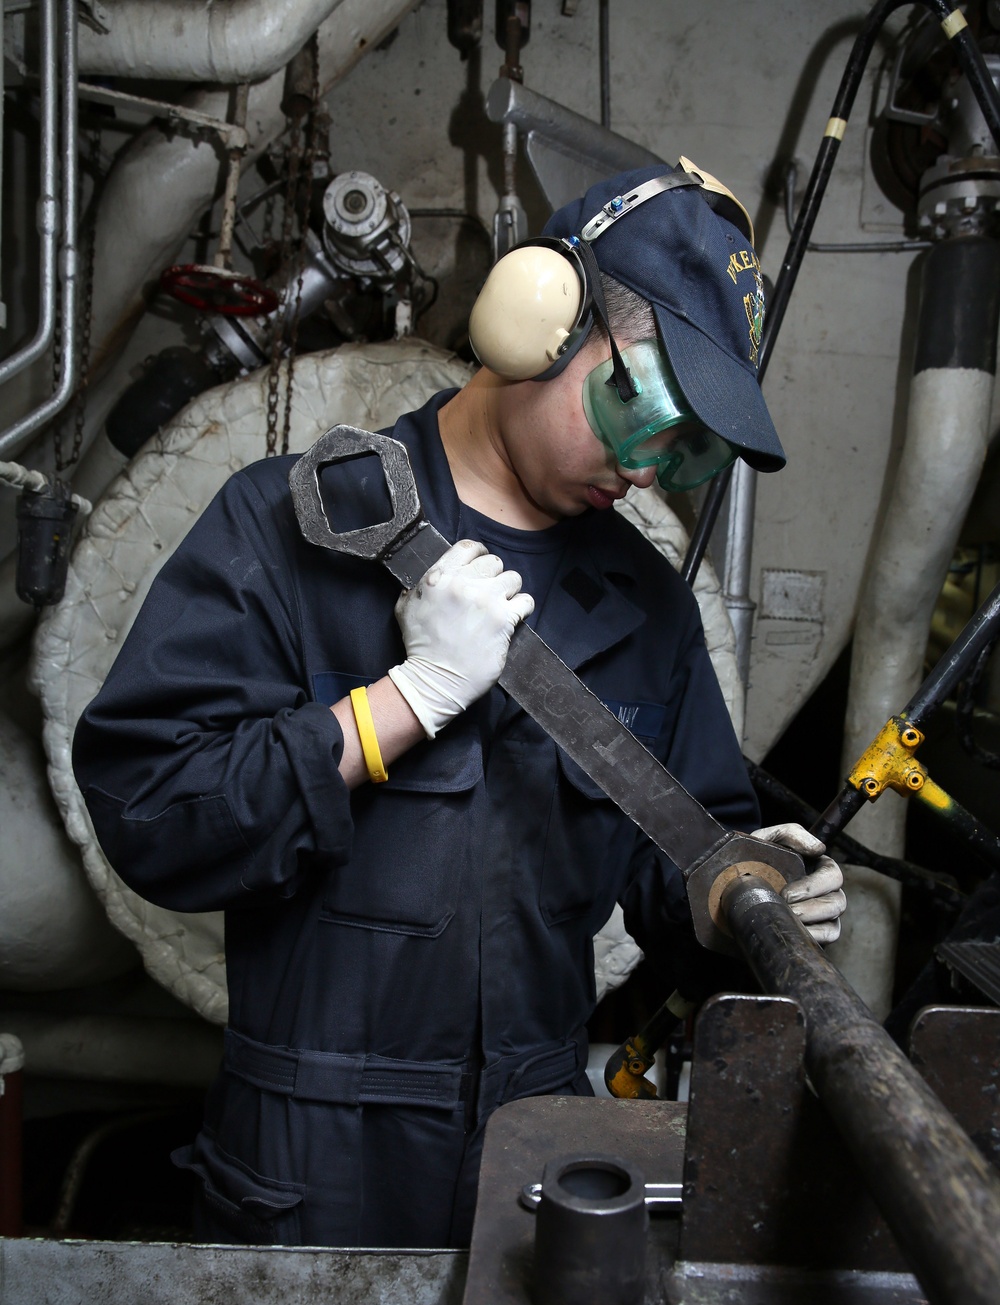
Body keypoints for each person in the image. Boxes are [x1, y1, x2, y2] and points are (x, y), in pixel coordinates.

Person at [72, 162, 846, 1250]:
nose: (647, 468)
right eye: (646, 412)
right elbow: (153, 813)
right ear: (539, 319)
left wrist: (742, 893)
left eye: (687, 450)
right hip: (307, 1158)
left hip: (533, 1152)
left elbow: (666, 872)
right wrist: (402, 701)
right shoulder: (288, 530)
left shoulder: (642, 608)